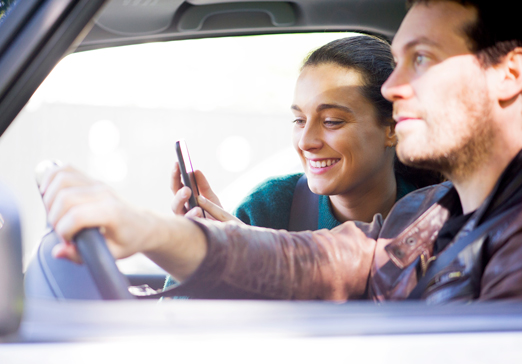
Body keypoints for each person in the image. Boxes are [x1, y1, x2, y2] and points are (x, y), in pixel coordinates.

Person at [41, 0, 522, 302]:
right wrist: (153, 230)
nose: (394, 87)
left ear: (508, 74)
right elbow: (314, 262)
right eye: (396, 64)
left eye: (421, 59)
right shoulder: (425, 213)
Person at [171, 35, 440, 231]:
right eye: (299, 120)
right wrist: (203, 251)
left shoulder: (440, 216)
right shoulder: (269, 208)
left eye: (332, 121)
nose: (306, 142)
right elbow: (181, 307)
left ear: (393, 128)